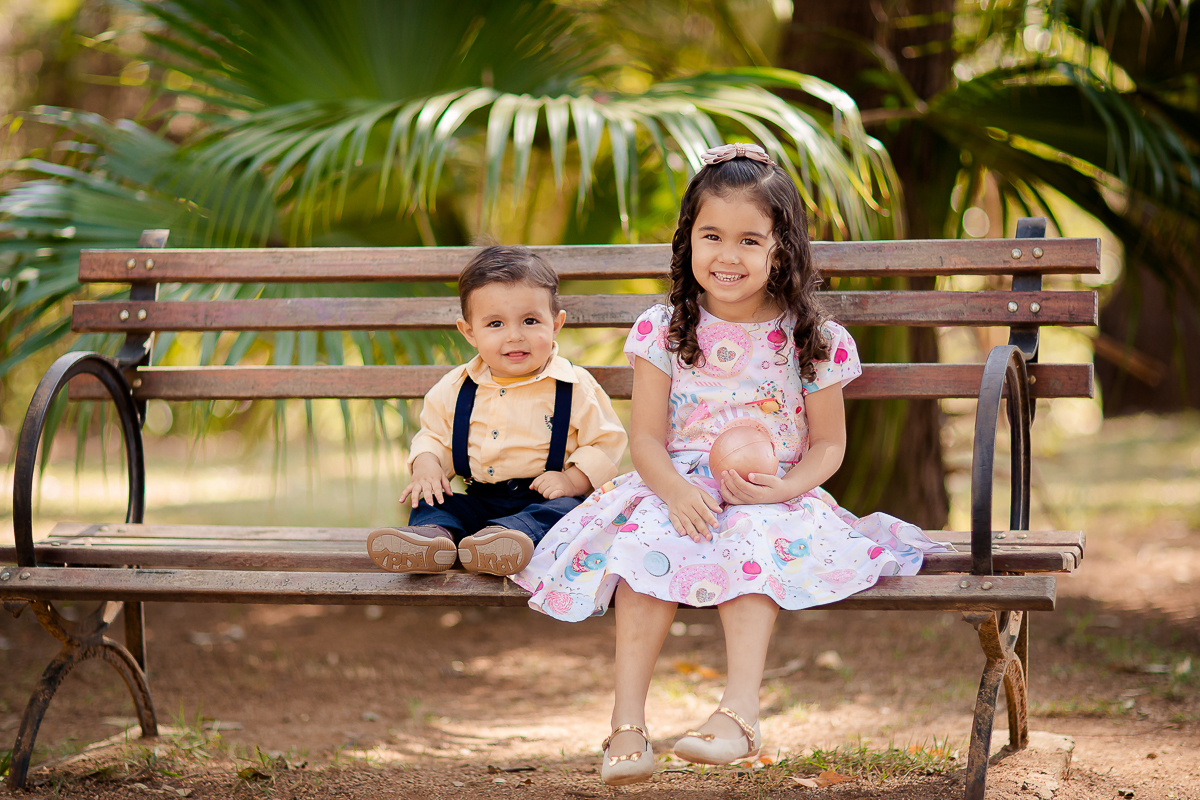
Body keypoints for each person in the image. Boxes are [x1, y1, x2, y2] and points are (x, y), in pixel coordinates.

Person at [512, 143, 952, 785]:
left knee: (751, 539)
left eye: (750, 240)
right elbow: (645, 440)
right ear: (687, 239)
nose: (727, 255)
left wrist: (783, 490)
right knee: (646, 540)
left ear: (782, 248)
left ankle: (739, 715)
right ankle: (627, 724)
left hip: (772, 491)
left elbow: (828, 445)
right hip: (677, 485)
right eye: (712, 235)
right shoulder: (663, 330)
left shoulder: (812, 338)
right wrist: (673, 492)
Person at [367, 245, 627, 577]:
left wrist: (571, 480)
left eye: (530, 321)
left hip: (543, 498)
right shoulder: (455, 387)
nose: (514, 336)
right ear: (469, 332)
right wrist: (427, 466)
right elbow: (434, 436)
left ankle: (502, 540)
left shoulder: (574, 386)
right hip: (478, 498)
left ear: (556, 324)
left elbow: (605, 443)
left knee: (568, 511)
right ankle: (433, 539)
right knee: (433, 502)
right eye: (495, 324)